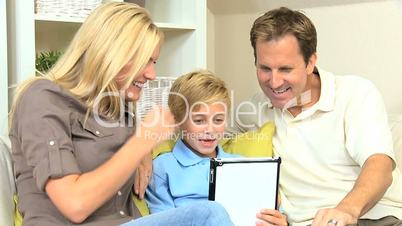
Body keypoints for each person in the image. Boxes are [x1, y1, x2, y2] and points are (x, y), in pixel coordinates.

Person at [8, 2, 234, 226]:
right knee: (207, 214)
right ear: (110, 52)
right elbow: (74, 205)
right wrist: (141, 144)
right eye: (145, 60)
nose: (152, 74)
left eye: (154, 61)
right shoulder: (42, 98)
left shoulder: (118, 107)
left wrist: (141, 150)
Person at [230, 6, 402, 226]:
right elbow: (203, 144)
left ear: (311, 62)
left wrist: (346, 211)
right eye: (265, 68)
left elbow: (380, 164)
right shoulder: (253, 109)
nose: (274, 83)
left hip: (374, 217)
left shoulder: (354, 93)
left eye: (285, 69)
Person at [145, 70, 288, 226]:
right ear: (178, 121)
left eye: (218, 120)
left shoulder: (242, 165)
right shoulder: (163, 167)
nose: (210, 129)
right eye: (199, 121)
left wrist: (279, 222)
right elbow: (164, 222)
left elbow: (270, 214)